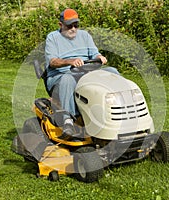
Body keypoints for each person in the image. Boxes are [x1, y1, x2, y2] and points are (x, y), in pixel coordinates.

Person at [45, 8, 119, 139]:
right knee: (68, 78)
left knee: (113, 72)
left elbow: (94, 53)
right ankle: (67, 119)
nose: (73, 28)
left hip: (85, 72)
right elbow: (53, 62)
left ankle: (118, 110)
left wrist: (100, 56)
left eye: (76, 25)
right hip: (61, 75)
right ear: (60, 25)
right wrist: (70, 61)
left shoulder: (85, 36)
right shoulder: (52, 38)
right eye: (69, 26)